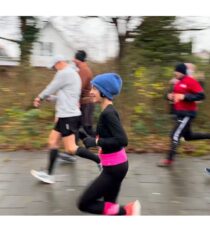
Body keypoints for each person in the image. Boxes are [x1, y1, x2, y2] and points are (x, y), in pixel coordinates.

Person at [77, 73, 141, 215]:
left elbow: (122, 140)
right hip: (115, 165)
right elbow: (106, 136)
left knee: (84, 203)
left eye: (95, 88)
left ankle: (127, 211)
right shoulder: (106, 111)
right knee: (109, 207)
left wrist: (95, 141)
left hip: (114, 168)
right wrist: (86, 135)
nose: (91, 92)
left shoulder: (109, 113)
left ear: (104, 92)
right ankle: (123, 212)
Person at [30, 55, 101, 184]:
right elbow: (68, 97)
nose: (54, 69)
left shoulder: (64, 73)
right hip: (66, 115)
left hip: (68, 116)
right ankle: (49, 175)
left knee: (71, 148)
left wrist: (39, 97)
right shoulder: (72, 73)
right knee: (52, 142)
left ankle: (99, 160)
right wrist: (53, 99)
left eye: (53, 67)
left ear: (58, 63)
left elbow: (52, 86)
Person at [158, 63, 210, 167]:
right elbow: (173, 95)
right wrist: (169, 96)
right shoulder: (177, 82)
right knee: (188, 136)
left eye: (176, 71)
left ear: (181, 72)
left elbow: (201, 96)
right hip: (179, 113)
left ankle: (169, 160)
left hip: (188, 113)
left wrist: (184, 96)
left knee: (175, 135)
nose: (174, 73)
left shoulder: (190, 81)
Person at [58, 50, 95, 163]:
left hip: (86, 104)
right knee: (76, 128)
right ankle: (72, 152)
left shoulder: (84, 70)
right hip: (82, 104)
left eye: (74, 58)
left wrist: (71, 101)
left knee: (87, 127)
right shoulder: (81, 70)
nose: (73, 60)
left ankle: (105, 143)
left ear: (78, 60)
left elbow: (77, 88)